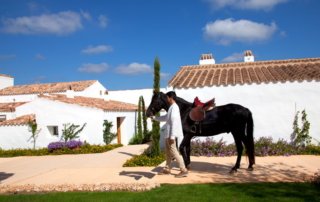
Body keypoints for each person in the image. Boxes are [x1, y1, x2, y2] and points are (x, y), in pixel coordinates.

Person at [151, 91, 188, 178]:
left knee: (174, 152)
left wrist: (172, 136)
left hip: (171, 135)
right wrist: (154, 118)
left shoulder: (174, 108)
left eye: (167, 97)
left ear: (170, 98)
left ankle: (183, 170)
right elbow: (165, 118)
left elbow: (174, 122)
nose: (166, 99)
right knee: (168, 153)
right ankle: (167, 169)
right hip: (168, 135)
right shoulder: (171, 107)